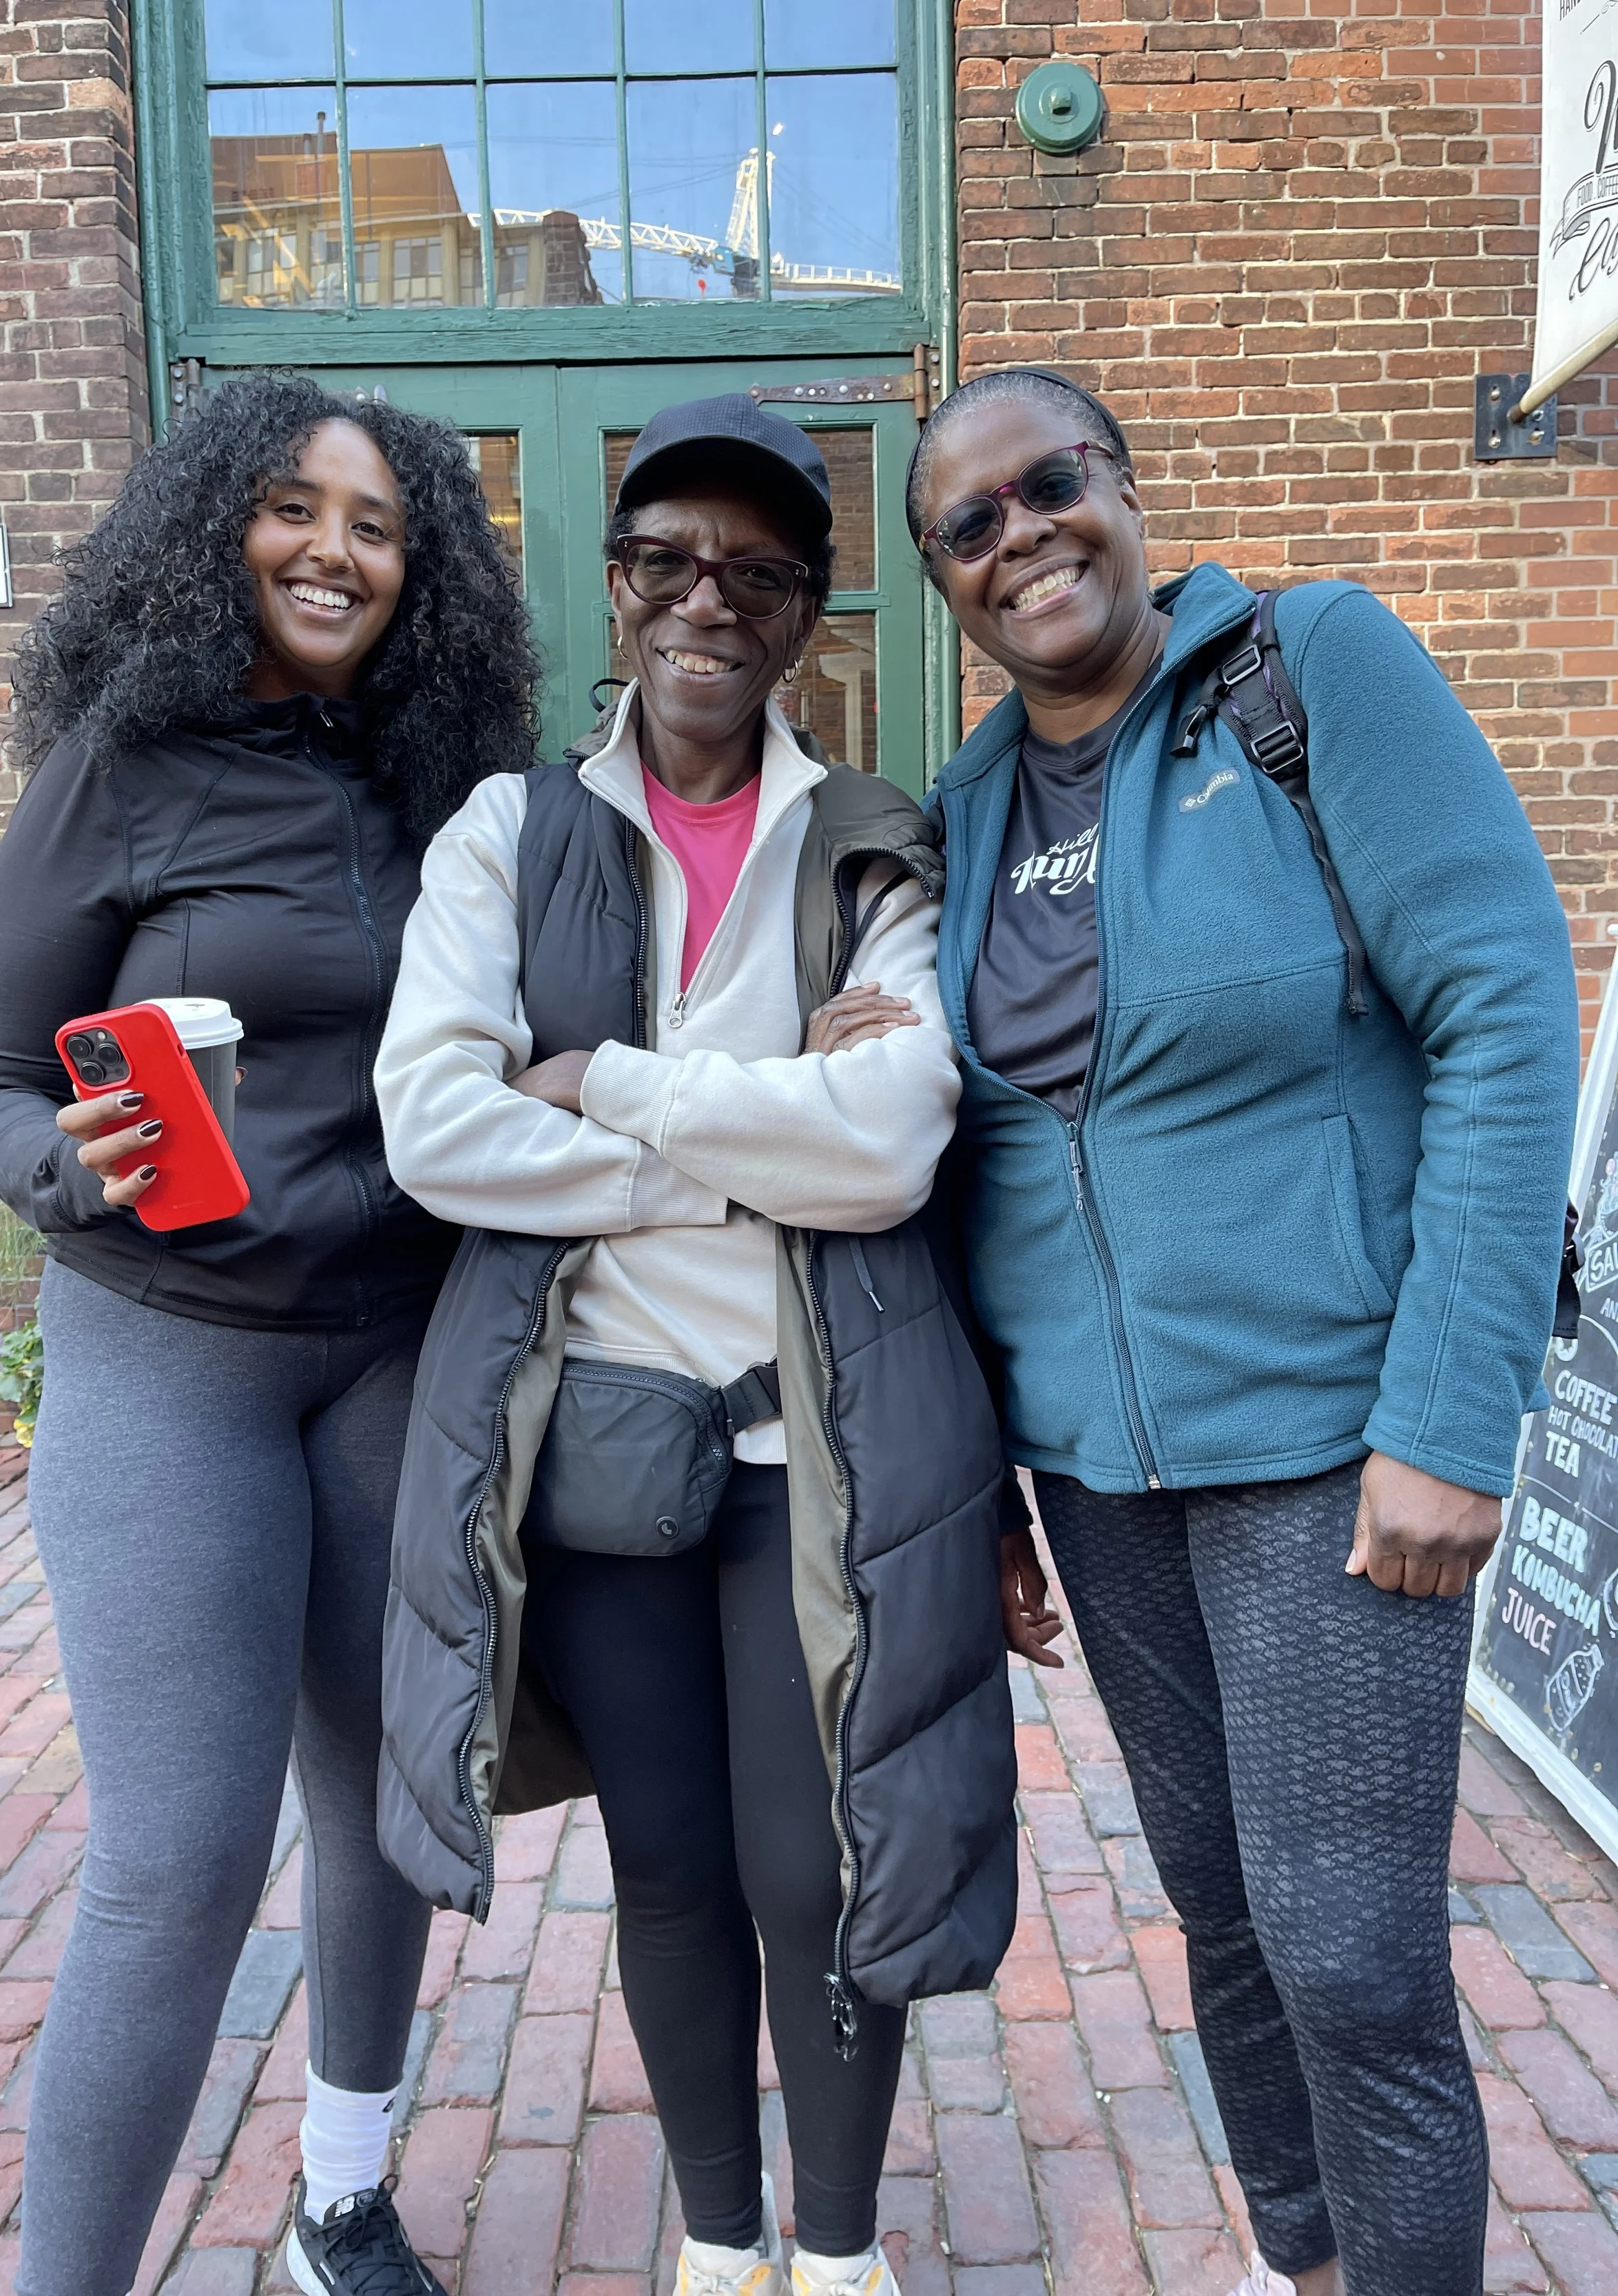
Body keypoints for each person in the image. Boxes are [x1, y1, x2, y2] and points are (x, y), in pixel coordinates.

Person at [911, 367, 1579, 2296]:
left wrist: (1454, 1412)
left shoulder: (1307, 673)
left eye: (1052, 484)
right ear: (945, 577)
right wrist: (985, 1481)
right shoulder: (963, 811)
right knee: (1217, 1912)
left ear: (1123, 491)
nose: (1020, 531)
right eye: (970, 521)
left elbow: (1502, 1005)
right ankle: (1309, 2262)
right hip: (1100, 1471)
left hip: (1331, 1436)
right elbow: (968, 1169)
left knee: (1349, 1947)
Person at [373, 397, 1039, 2296]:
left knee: (816, 1866)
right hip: (593, 1444)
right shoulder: (510, 832)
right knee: (664, 1866)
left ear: (809, 609)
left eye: (756, 568)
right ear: (615, 580)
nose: (705, 597)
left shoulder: (869, 839)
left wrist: (616, 1089)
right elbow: (436, 1128)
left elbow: (899, 1134)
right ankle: (721, 2238)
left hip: (811, 1445)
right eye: (667, 555)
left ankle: (834, 2254)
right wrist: (750, 1147)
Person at [0, 371, 535, 2296]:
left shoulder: (436, 780)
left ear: (421, 571)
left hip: (391, 1345)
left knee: (383, 1794)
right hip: (166, 1351)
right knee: (177, 1863)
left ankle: (338, 2203)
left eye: (377, 526)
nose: (334, 550)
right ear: (220, 528)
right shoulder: (121, 764)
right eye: (295, 508)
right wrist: (67, 1162)